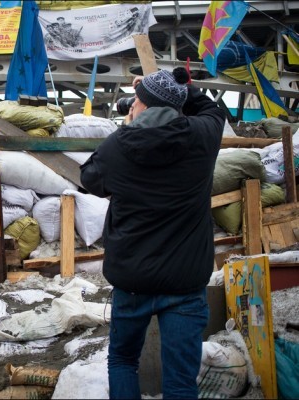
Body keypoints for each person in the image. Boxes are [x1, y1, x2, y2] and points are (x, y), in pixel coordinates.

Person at [80, 67, 225, 399]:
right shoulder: (203, 136)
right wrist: (177, 87)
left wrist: (128, 126)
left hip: (133, 279)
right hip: (186, 281)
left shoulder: (118, 146)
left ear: (143, 105)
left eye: (136, 100)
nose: (132, 104)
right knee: (180, 382)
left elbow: (89, 178)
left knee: (123, 361)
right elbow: (212, 109)